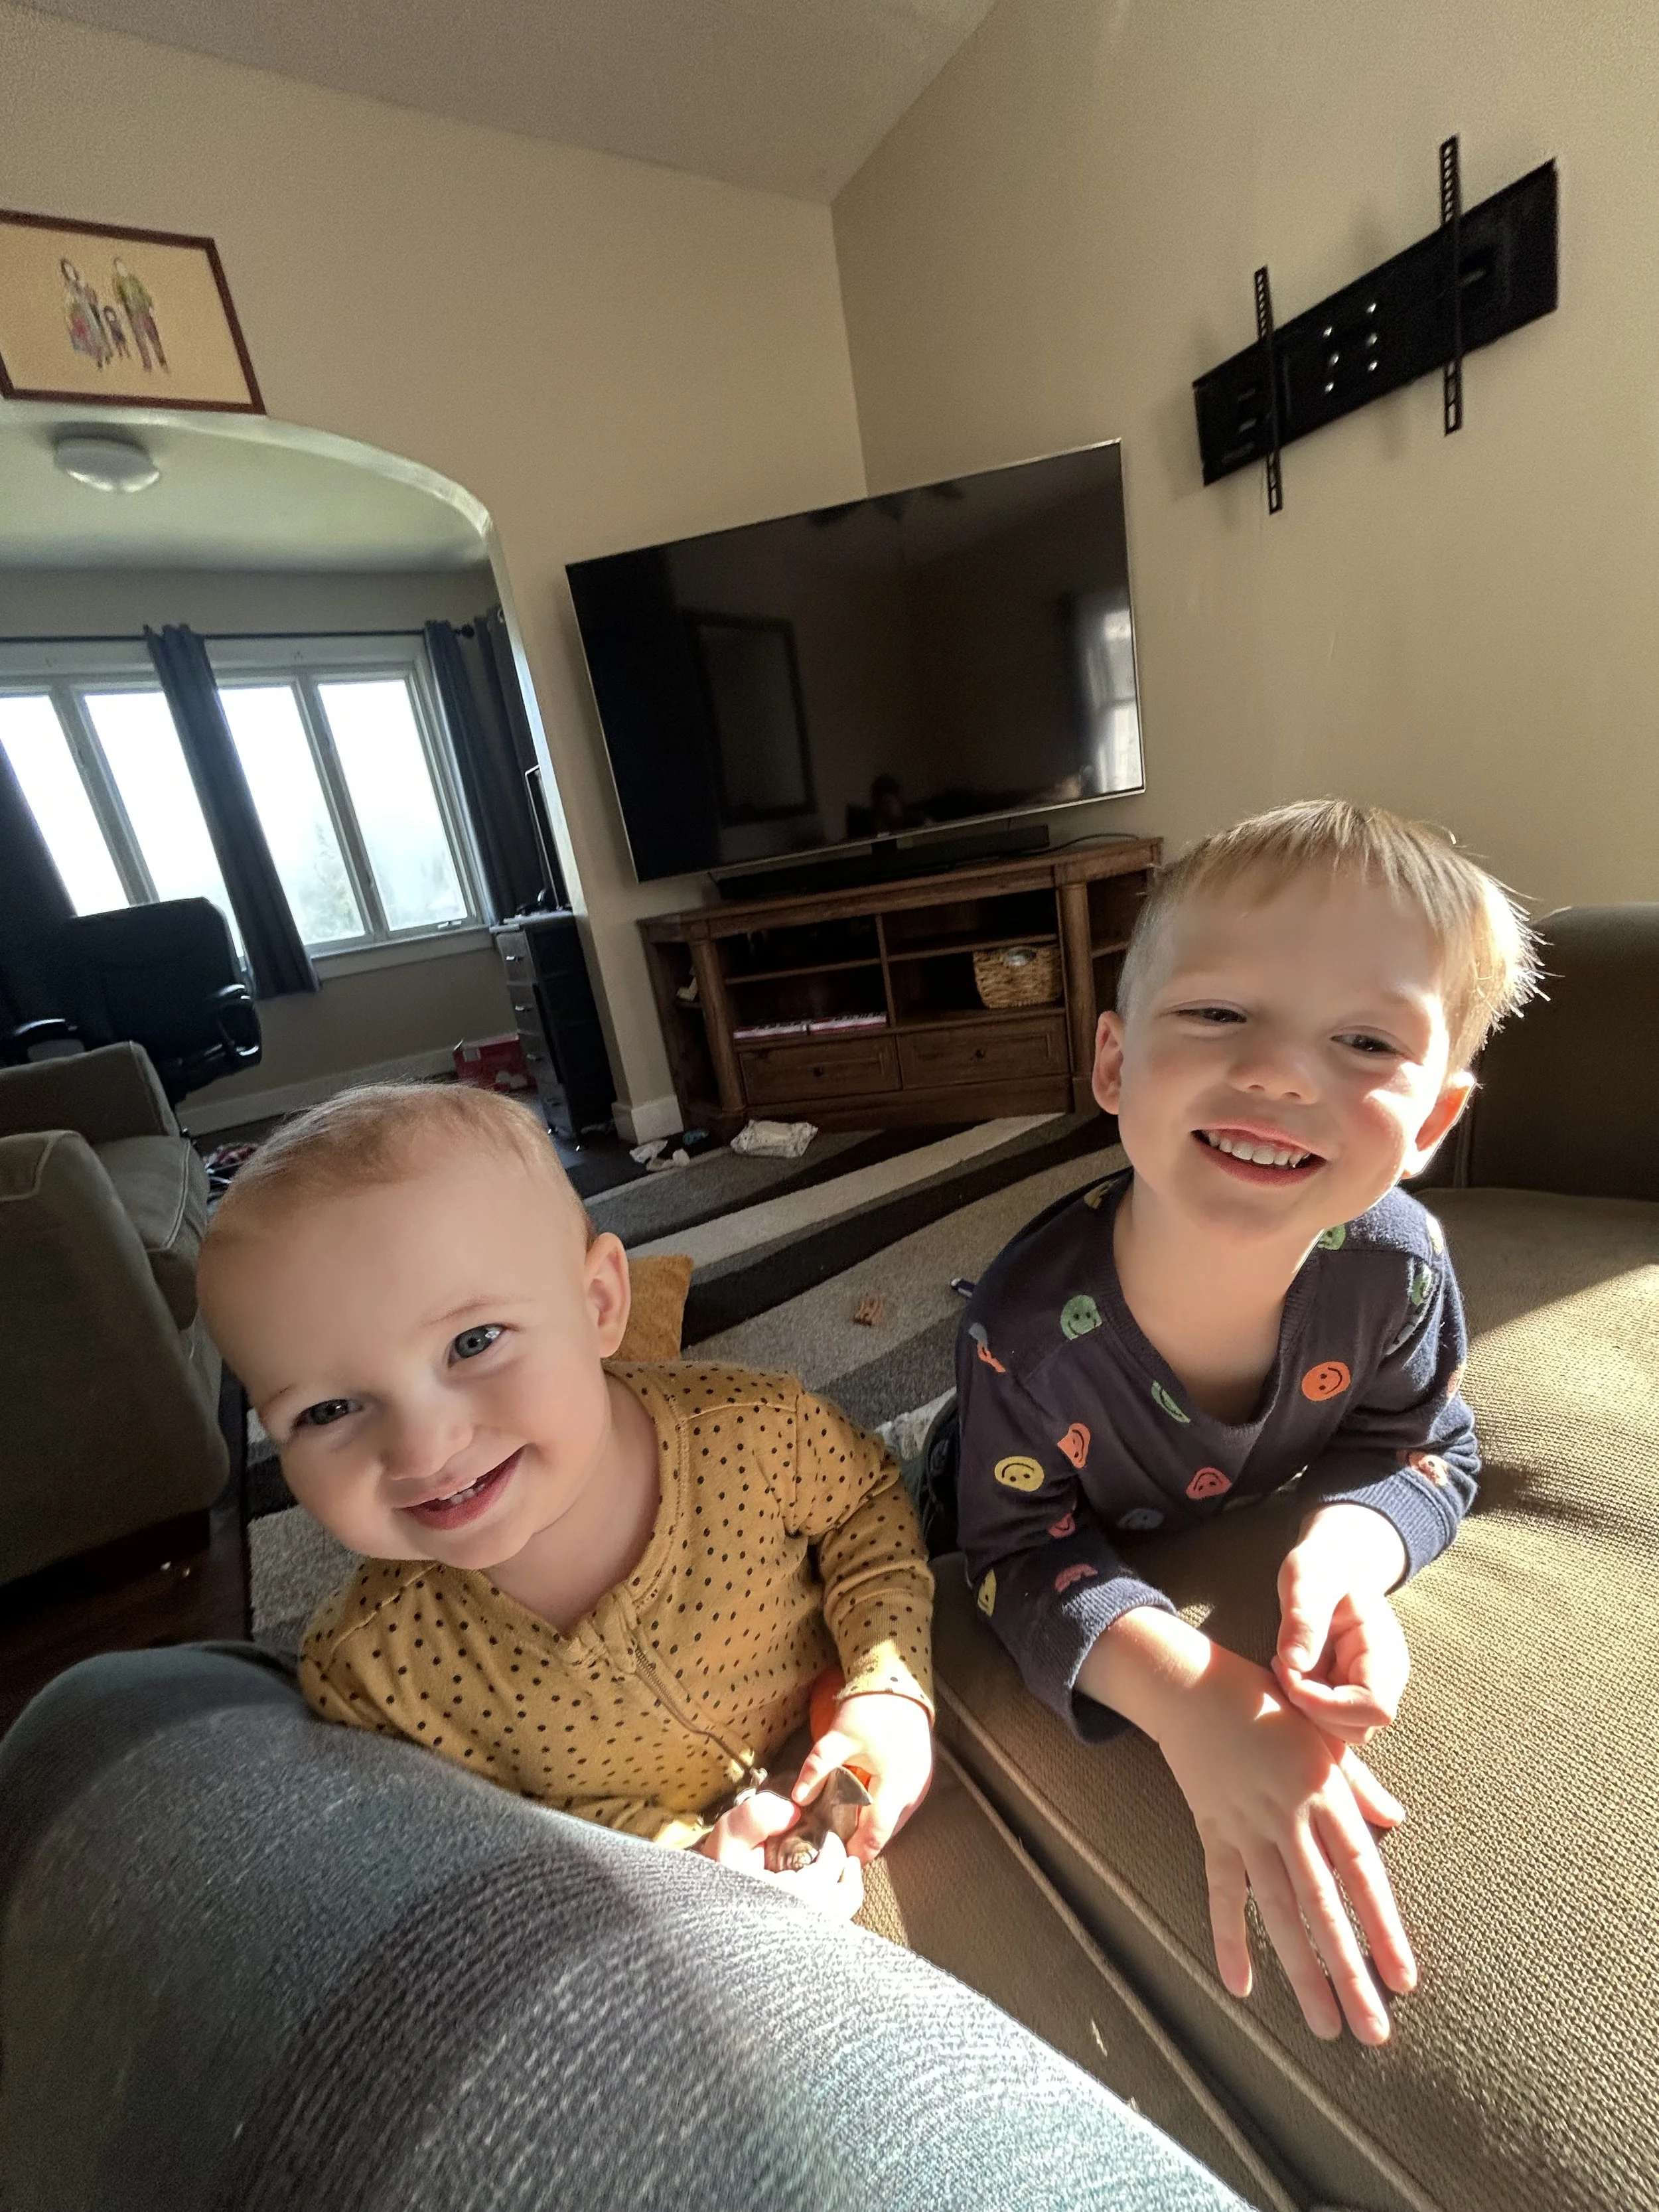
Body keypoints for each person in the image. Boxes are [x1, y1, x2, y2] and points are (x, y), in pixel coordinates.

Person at [948, 800, 1539, 2046]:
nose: (1278, 1072)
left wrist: (1347, 1554)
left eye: (1367, 1040)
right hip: (996, 1444)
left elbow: (1431, 1444)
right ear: (1113, 1063)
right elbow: (1008, 1553)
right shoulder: (1022, 1328)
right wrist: (1199, 1696)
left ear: (1433, 1121)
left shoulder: (1398, 1270)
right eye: (1217, 1013)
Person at [198, 1084, 936, 1919]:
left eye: (472, 1343)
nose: (422, 1449)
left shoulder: (757, 1432)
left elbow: (866, 1502)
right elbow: (480, 1851)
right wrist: (684, 1867)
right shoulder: (373, 1676)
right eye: (327, 1411)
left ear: (600, 1306)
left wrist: (886, 1682)